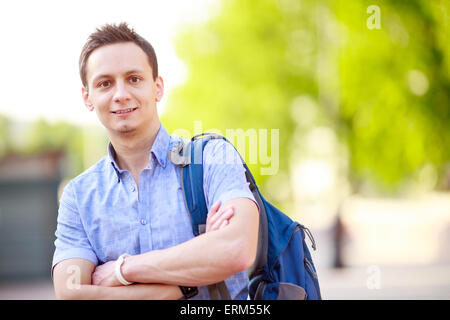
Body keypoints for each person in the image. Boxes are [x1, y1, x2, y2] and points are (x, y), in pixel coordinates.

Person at [52, 23, 259, 300]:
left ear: (157, 87)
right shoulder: (78, 196)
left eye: (134, 79)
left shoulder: (212, 158)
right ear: (87, 98)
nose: (121, 94)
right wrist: (185, 280)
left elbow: (236, 250)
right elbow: (71, 292)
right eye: (105, 83)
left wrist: (122, 271)